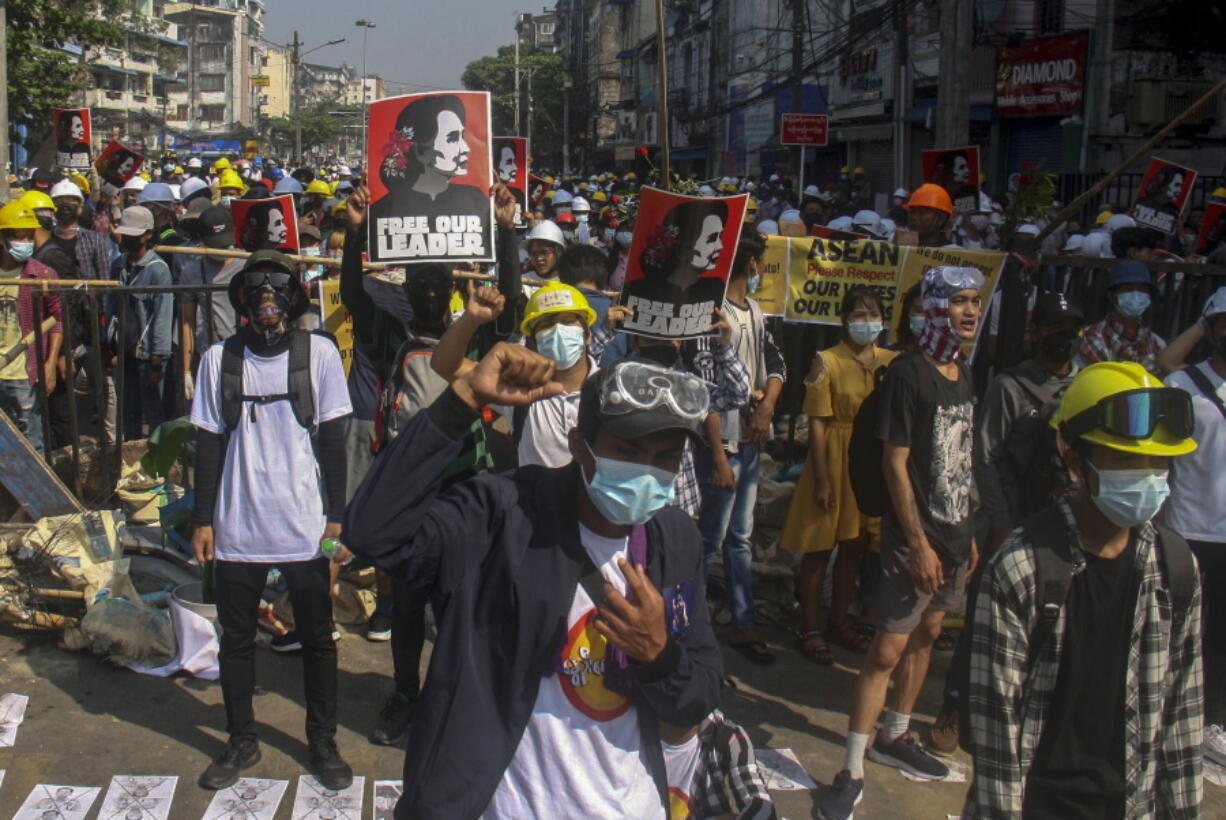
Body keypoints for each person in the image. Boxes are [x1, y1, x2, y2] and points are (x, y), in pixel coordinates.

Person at [344, 352, 722, 819]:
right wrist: (461, 402)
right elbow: (373, 533)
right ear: (578, 445)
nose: (647, 472)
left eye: (664, 458)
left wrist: (660, 657)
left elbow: (698, 696)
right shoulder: (502, 513)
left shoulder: (675, 539)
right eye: (627, 452)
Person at [962, 361, 1202, 818]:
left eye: (1158, 462)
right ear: (1073, 456)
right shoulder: (1021, 567)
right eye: (1127, 460)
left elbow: (1182, 724)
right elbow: (996, 732)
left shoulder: (1174, 569)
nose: (1148, 476)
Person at [818, 266, 983, 820]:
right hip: (915, 539)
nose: (969, 312)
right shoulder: (909, 375)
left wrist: (969, 530)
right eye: (958, 301)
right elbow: (895, 463)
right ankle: (851, 767)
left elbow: (961, 460)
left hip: (956, 537)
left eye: (975, 303)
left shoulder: (961, 372)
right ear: (935, 307)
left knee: (929, 634)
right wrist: (917, 543)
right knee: (887, 648)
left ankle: (896, 733)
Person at [190, 249, 353, 792]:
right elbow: (208, 443)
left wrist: (337, 521)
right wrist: (204, 519)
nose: (266, 299)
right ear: (240, 300)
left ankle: (322, 740)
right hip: (238, 529)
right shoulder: (219, 360)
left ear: (293, 296)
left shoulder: (320, 355)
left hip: (307, 529)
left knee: (318, 638)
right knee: (234, 641)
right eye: (255, 289)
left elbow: (334, 442)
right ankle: (241, 739)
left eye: (276, 288)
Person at [928, 291, 1084, 755]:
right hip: (1013, 519)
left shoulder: (1086, 385)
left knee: (1057, 622)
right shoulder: (1011, 388)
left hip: (1068, 522)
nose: (1065, 338)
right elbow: (984, 458)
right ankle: (955, 704)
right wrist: (999, 521)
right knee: (985, 616)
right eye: (1055, 329)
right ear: (1035, 333)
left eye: (1072, 329)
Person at [782, 286, 896, 667]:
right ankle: (809, 626)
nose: (867, 322)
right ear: (845, 320)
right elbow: (817, 422)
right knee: (819, 548)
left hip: (870, 463)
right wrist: (821, 478)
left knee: (855, 546)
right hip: (833, 457)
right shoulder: (826, 361)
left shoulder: (890, 361)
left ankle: (838, 620)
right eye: (859, 315)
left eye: (873, 314)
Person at [695, 227, 785, 665]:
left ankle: (742, 620)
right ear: (750, 263)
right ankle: (692, 621)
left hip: (749, 438)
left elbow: (775, 363)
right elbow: (704, 391)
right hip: (724, 442)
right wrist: (715, 454)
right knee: (711, 538)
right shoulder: (714, 316)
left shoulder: (756, 313)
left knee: (741, 538)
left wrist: (767, 406)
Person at [1157, 286, 1226, 765]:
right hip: (1189, 531)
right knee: (1182, 634)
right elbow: (1162, 363)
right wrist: (1203, 323)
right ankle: (1166, 719)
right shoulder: (1183, 387)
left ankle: (1212, 723)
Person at [367, 94, 489, 246]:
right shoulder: (383, 210)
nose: (466, 148)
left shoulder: (476, 200)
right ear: (420, 152)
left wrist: (507, 228)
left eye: (462, 136)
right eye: (452, 138)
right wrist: (354, 230)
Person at [0, 200, 62, 455]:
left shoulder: (42, 275)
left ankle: (34, 494)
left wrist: (50, 363)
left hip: (24, 372)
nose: (24, 242)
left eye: (28, 236)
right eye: (18, 236)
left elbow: (57, 319)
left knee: (30, 440)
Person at [107, 206, 172, 439]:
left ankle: (156, 465)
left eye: (134, 235)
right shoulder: (118, 265)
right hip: (124, 350)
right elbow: (111, 307)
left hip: (147, 355)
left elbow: (162, 316)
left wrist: (158, 359)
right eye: (125, 235)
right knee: (128, 411)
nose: (128, 240)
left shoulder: (158, 270)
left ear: (147, 235)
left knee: (153, 411)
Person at [622, 199, 728, 311]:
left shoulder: (716, 288)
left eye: (720, 236)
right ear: (680, 247)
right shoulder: (636, 290)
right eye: (711, 238)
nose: (720, 246)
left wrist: (727, 328)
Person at [1075, 259, 1166, 375]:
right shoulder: (1089, 338)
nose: (1136, 296)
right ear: (1112, 296)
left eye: (1142, 289)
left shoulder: (1157, 343)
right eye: (1128, 289)